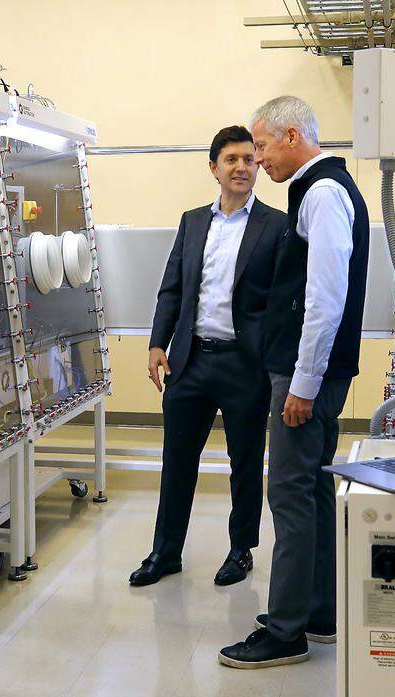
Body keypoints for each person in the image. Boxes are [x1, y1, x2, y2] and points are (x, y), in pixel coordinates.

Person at [218, 96, 369, 668]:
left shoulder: (324, 193)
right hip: (316, 372)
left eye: (259, 146)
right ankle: (318, 612)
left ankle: (284, 633)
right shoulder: (319, 190)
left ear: (289, 136)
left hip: (309, 377)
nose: (256, 160)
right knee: (311, 490)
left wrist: (302, 384)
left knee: (288, 494)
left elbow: (324, 300)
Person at [128, 126, 288, 588]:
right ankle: (166, 551)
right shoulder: (193, 221)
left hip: (245, 364)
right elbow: (173, 287)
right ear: (214, 167)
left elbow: (282, 302)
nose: (242, 167)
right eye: (232, 159)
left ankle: (241, 550)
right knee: (178, 459)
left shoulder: (276, 226)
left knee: (244, 462)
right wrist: (158, 343)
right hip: (191, 362)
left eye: (249, 158)